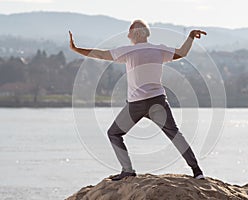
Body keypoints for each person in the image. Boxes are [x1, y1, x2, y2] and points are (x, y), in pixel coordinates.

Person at [69, 19, 207, 181]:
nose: (127, 34)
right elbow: (182, 53)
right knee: (175, 135)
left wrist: (76, 49)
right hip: (158, 102)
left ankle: (127, 171)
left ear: (136, 33)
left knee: (114, 133)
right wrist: (190, 37)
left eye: (130, 30)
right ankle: (197, 171)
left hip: (137, 105)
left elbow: (99, 54)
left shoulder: (128, 51)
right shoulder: (159, 49)